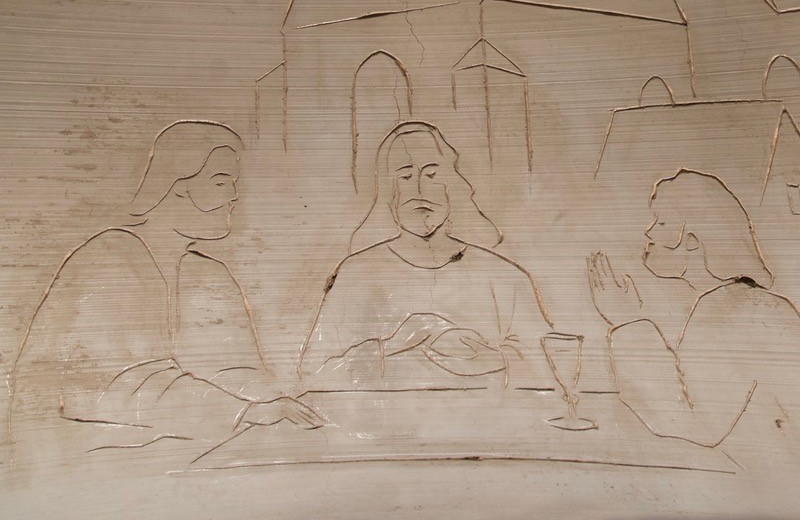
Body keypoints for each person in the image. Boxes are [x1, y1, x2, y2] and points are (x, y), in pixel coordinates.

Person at [7, 120, 321, 465]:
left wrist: (277, 402)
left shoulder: (208, 273)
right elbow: (117, 385)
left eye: (233, 183)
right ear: (176, 186)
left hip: (185, 452)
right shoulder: (110, 258)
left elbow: (234, 371)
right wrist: (244, 411)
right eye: (220, 182)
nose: (234, 196)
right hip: (84, 458)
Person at [586, 169, 800, 469]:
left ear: (692, 241)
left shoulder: (735, 310)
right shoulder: (744, 302)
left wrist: (627, 321)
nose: (648, 232)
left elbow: (692, 421)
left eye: (661, 223)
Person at [300, 121, 554, 390]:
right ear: (388, 190)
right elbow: (312, 374)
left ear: (451, 185)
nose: (419, 189)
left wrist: (489, 358)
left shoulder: (503, 275)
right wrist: (396, 343)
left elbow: (548, 365)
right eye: (405, 177)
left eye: (432, 174)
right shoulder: (356, 273)